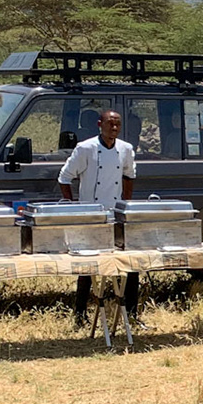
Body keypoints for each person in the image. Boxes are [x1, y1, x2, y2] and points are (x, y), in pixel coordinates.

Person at [58, 109, 140, 326]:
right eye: (110, 124)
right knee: (88, 267)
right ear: (99, 124)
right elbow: (64, 178)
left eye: (117, 124)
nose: (114, 128)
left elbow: (129, 176)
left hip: (116, 214)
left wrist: (126, 206)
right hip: (92, 215)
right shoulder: (85, 148)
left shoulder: (126, 149)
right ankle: (79, 314)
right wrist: (74, 207)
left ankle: (131, 313)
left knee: (131, 264)